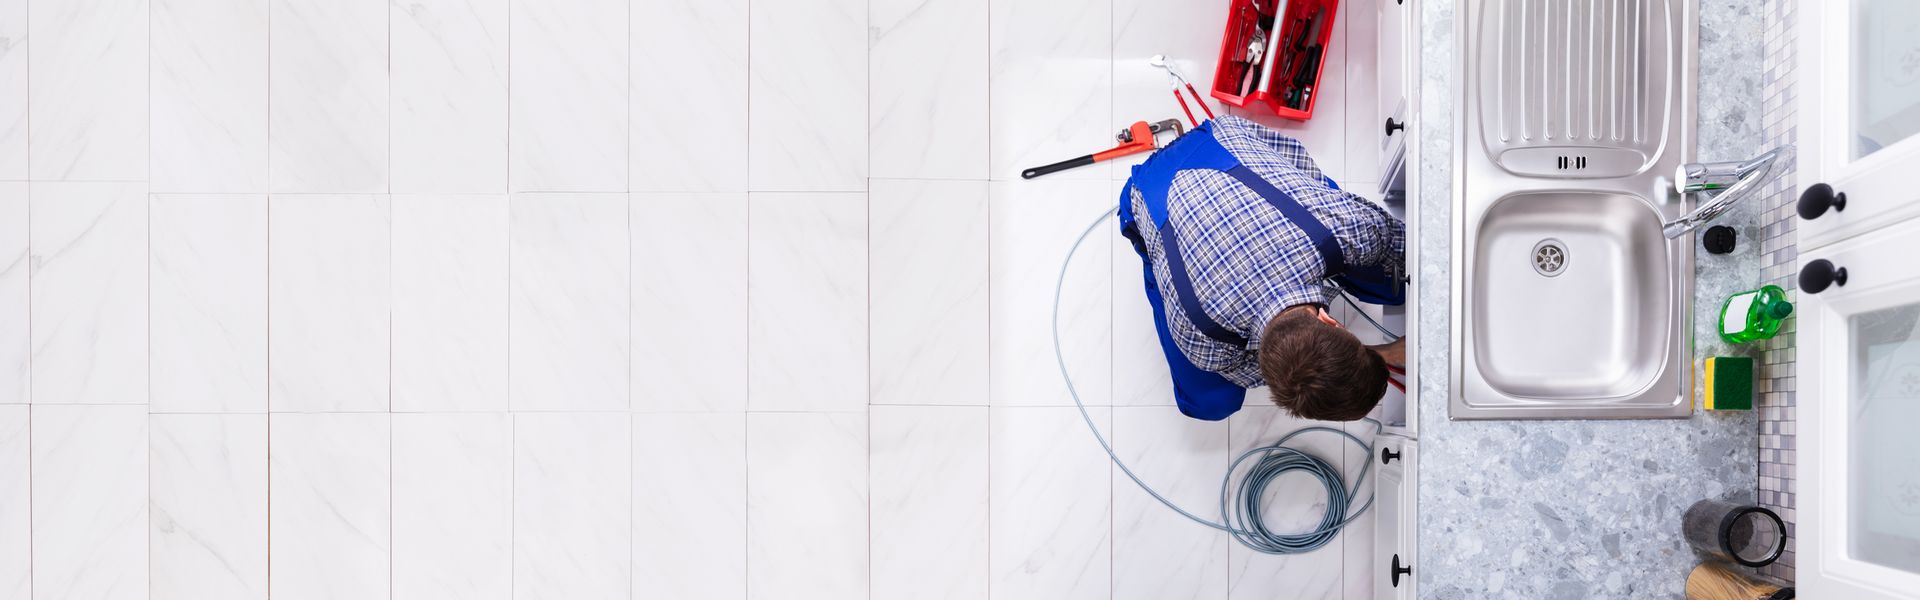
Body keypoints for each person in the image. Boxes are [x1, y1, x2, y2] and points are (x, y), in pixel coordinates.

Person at [1119, 115, 1406, 422]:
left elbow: (1401, 243)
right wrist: (1380, 352)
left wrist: (1376, 355)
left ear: (1332, 322)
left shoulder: (1347, 228)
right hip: (1144, 193)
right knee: (1210, 404)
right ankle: (1153, 255)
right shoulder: (1201, 341)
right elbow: (1272, 370)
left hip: (1221, 138)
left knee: (1395, 284)